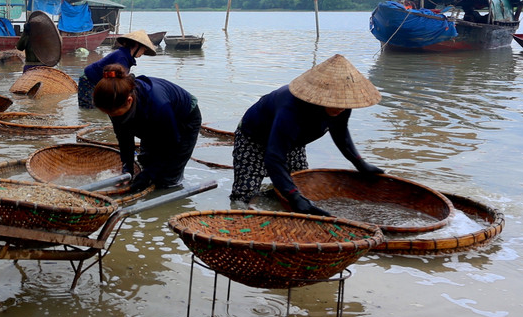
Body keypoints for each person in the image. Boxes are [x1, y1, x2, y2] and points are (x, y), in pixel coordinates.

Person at [230, 54, 383, 215]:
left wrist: (359, 163)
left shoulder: (342, 105)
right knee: (243, 197)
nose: (340, 108)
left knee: (302, 189)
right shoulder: (291, 109)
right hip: (253, 138)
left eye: (343, 104)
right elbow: (274, 157)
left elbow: (340, 133)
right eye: (334, 103)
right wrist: (293, 196)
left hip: (294, 141)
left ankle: (274, 195)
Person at [93, 63, 201, 193]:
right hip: (151, 117)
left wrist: (148, 175)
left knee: (168, 176)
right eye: (109, 114)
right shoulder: (114, 104)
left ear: (129, 100)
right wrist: (127, 168)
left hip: (184, 119)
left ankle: (170, 200)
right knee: (145, 160)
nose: (113, 117)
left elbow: (171, 143)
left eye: (115, 114)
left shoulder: (158, 105)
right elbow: (124, 137)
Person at [77, 30, 158, 108]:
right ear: (137, 45)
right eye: (143, 49)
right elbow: (117, 82)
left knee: (102, 107)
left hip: (99, 81)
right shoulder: (121, 57)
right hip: (88, 80)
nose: (143, 53)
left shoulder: (126, 57)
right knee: (88, 109)